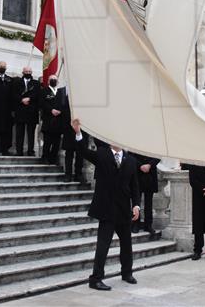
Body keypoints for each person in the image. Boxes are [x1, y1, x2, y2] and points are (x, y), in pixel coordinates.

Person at [70, 118, 140, 291]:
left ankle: (127, 272)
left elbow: (135, 186)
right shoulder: (102, 154)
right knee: (103, 245)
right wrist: (78, 133)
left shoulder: (131, 161)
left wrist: (137, 205)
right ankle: (95, 279)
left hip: (124, 209)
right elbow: (83, 151)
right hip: (107, 208)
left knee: (127, 244)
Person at [39, 74, 67, 164]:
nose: (53, 81)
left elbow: (64, 104)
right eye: (51, 79)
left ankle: (53, 158)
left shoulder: (61, 92)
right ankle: (45, 157)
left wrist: (60, 111)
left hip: (59, 121)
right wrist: (51, 110)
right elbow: (42, 103)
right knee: (47, 141)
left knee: (56, 143)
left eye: (55, 79)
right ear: (48, 81)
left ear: (58, 82)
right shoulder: (44, 91)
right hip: (48, 120)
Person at [12, 66, 40, 156]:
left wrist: (29, 99)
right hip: (20, 110)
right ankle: (19, 151)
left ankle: (30, 151)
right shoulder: (17, 82)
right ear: (23, 72)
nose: (28, 73)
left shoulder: (36, 83)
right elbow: (13, 94)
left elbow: (38, 95)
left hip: (32, 111)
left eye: (29, 71)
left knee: (31, 133)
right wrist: (21, 100)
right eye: (26, 71)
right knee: (19, 133)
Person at [132, 153, 160, 234]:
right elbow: (130, 154)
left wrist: (150, 165)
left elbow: (159, 154)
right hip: (137, 172)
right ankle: (135, 224)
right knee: (136, 200)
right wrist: (140, 165)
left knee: (149, 202)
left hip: (150, 174)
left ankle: (148, 225)